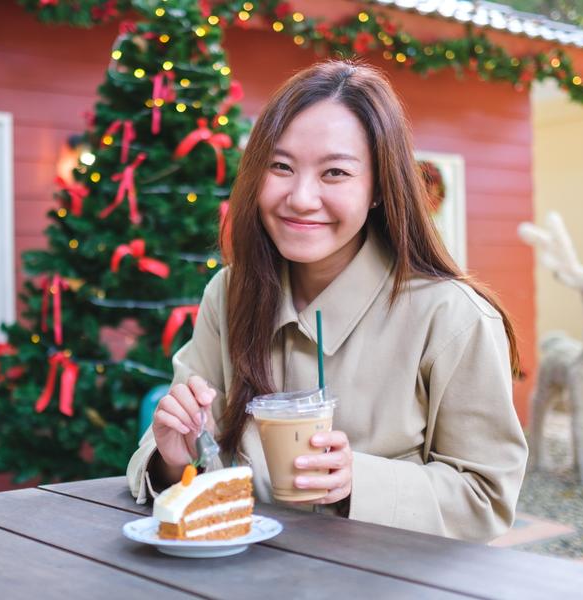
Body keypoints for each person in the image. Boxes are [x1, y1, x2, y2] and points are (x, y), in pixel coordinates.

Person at [126, 59, 528, 543]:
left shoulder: (453, 317)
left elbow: (488, 498)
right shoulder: (230, 294)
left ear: (379, 187)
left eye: (335, 172)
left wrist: (356, 482)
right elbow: (163, 452)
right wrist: (172, 456)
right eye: (281, 166)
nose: (300, 197)